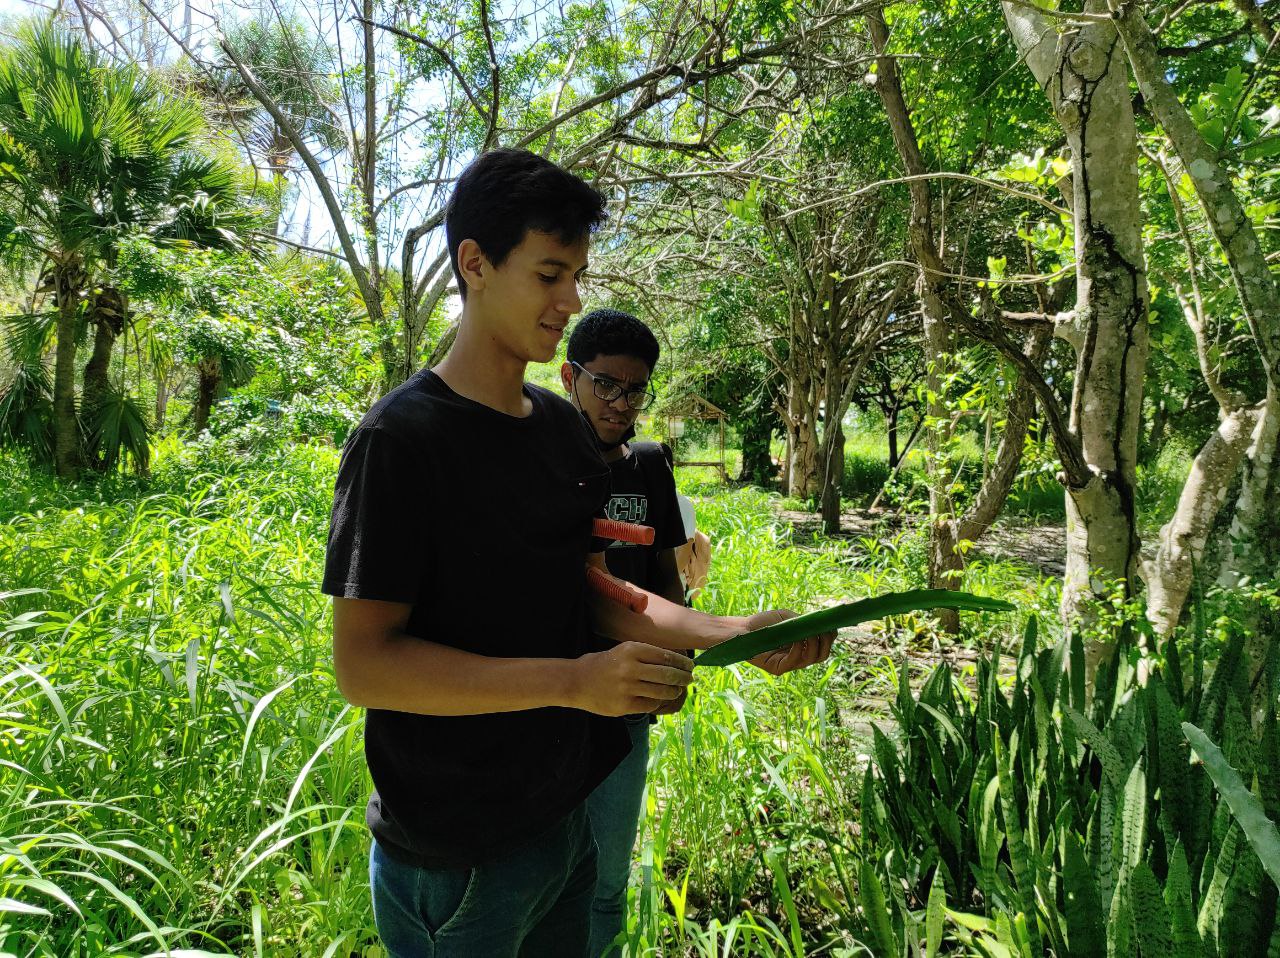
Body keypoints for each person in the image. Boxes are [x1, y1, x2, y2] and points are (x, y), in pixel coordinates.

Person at [322, 148, 834, 958]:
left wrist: (728, 632)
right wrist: (575, 682)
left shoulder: (559, 431)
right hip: (457, 859)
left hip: (562, 821)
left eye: (578, 274)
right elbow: (367, 666)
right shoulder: (402, 440)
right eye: (551, 273)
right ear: (475, 264)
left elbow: (583, 592)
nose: (573, 300)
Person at [560, 309, 686, 957]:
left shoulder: (648, 467)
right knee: (545, 877)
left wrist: (679, 658)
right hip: (547, 702)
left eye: (635, 389)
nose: (620, 403)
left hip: (628, 704)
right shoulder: (540, 460)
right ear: (569, 378)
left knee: (607, 878)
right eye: (605, 384)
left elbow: (667, 573)